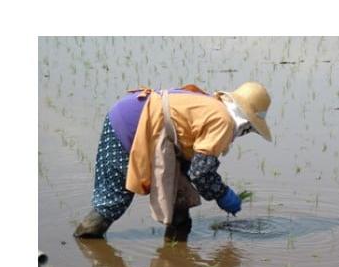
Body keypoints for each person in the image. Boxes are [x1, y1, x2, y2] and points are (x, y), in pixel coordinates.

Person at [73, 81, 272, 240]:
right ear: (246, 123)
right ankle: (86, 240)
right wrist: (223, 194)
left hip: (134, 116)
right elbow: (201, 172)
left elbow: (191, 161)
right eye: (249, 130)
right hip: (130, 127)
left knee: (180, 196)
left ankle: (175, 255)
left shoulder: (213, 106)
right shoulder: (224, 121)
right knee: (114, 199)